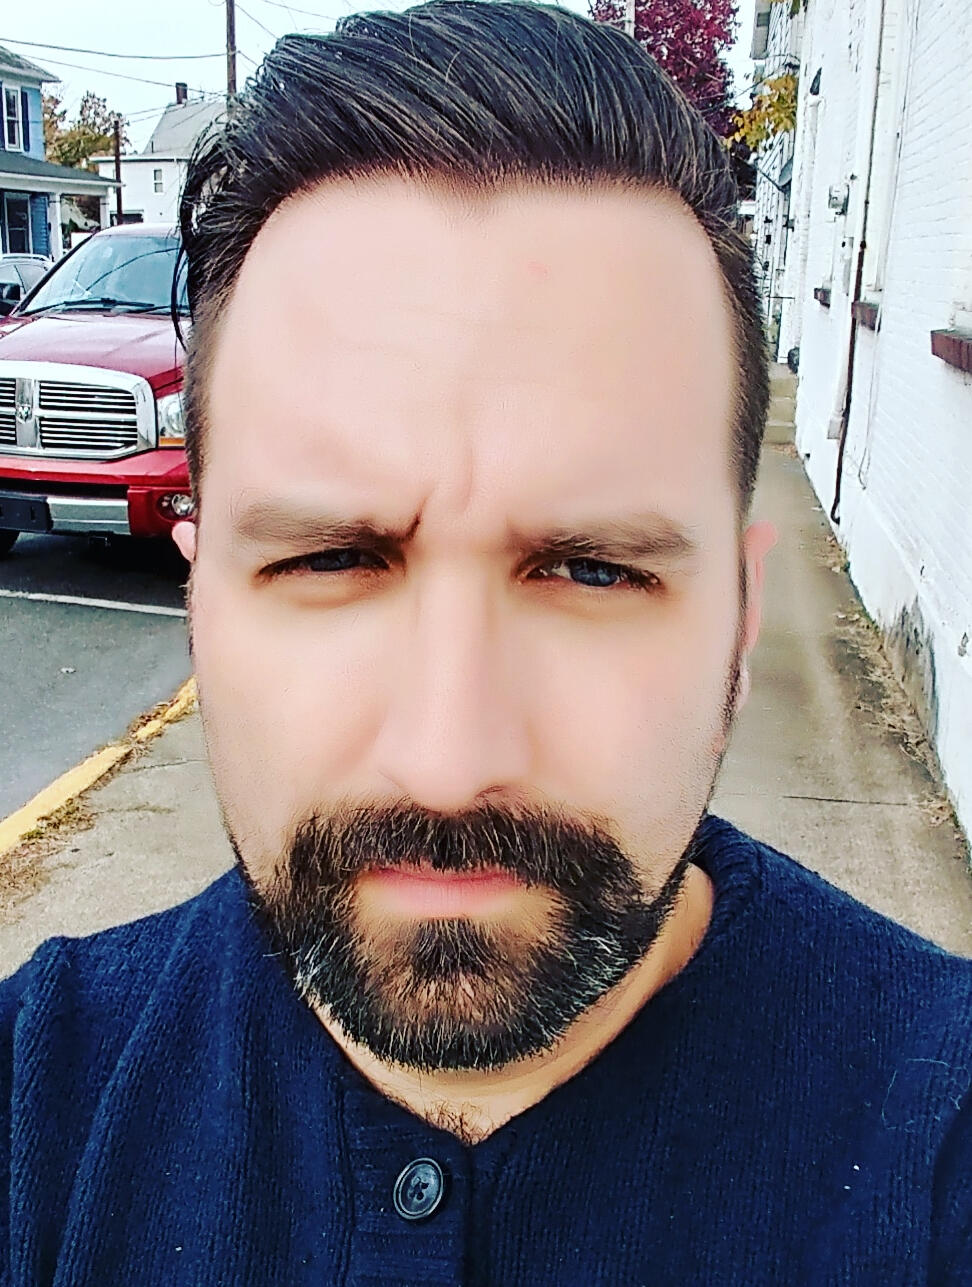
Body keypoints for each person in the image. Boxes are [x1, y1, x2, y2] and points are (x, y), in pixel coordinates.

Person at [2, 2, 970, 1282]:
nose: (448, 760)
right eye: (333, 559)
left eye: (590, 570)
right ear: (202, 595)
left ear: (742, 620)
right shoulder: (39, 1111)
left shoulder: (938, 1144)